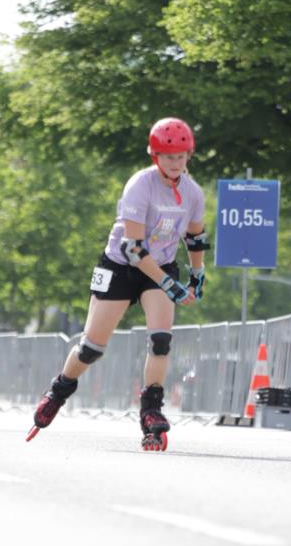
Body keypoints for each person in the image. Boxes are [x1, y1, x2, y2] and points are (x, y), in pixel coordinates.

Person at [31, 117, 209, 448]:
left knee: (160, 340)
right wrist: (171, 286)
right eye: (169, 157)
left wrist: (197, 274)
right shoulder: (140, 185)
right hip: (122, 265)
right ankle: (59, 389)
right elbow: (134, 248)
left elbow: (195, 237)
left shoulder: (193, 192)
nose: (176, 163)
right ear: (155, 156)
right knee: (92, 347)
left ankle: (151, 410)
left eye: (181, 157)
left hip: (161, 266)